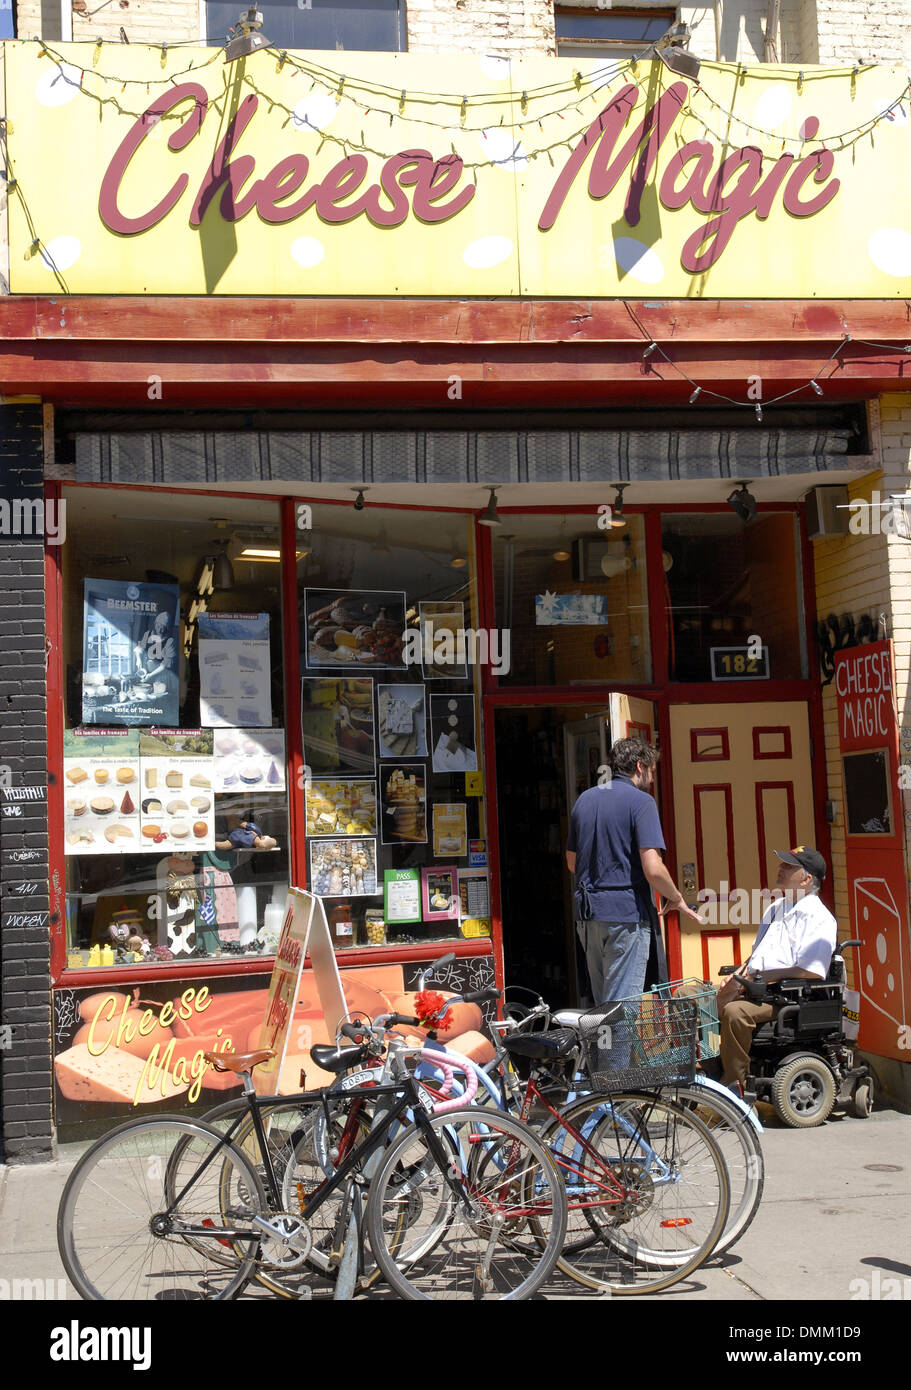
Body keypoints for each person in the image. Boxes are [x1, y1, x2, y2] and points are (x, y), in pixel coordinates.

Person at [565, 736, 702, 1005]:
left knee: (603, 1006)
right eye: (651, 770)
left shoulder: (584, 800)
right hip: (625, 916)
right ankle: (615, 1050)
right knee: (622, 1009)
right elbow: (653, 868)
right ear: (640, 766)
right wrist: (675, 897)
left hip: (588, 916)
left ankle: (603, 1049)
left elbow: (572, 863)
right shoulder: (642, 802)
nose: (652, 778)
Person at [716, 846, 837, 1092]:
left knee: (735, 1012)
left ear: (806, 879)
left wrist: (762, 977)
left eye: (788, 866)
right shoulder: (776, 908)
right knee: (689, 996)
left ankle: (734, 1087)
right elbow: (758, 953)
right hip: (754, 985)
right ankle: (707, 1071)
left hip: (784, 996)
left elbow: (811, 970)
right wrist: (739, 974)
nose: (780, 869)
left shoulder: (818, 917)